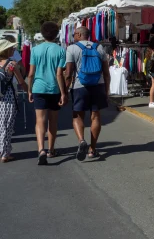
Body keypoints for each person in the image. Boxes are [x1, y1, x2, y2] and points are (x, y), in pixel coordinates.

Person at [65, 26, 110, 161]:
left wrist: (65, 91)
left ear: (79, 34)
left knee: (77, 116)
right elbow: (106, 73)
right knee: (95, 116)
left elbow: (68, 73)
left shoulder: (72, 48)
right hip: (98, 85)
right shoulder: (99, 48)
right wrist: (106, 91)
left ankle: (81, 141)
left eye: (74, 34)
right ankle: (93, 149)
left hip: (80, 86)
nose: (73, 36)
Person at [27, 22, 67, 165]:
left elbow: (31, 74)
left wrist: (29, 89)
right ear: (56, 34)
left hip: (38, 88)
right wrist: (63, 93)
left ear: (42, 33)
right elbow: (59, 74)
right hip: (54, 89)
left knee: (40, 121)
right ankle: (51, 149)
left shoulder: (35, 50)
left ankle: (41, 149)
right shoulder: (61, 50)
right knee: (53, 121)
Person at [0, 39, 28, 162]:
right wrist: (29, 92)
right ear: (6, 51)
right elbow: (21, 81)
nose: (13, 49)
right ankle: (5, 153)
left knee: (1, 124)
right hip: (8, 96)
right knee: (7, 124)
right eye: (11, 48)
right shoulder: (12, 64)